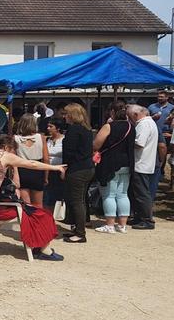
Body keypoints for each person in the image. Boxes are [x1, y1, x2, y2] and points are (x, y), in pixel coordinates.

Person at [0, 135, 67, 267]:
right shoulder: (4, 155)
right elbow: (31, 164)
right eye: (13, 150)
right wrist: (55, 168)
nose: (14, 154)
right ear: (7, 147)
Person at [93, 102, 134, 233]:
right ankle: (122, 225)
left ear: (112, 112)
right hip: (127, 163)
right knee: (123, 194)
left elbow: (96, 145)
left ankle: (110, 224)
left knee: (109, 195)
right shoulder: (131, 126)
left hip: (110, 163)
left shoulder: (108, 126)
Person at [61, 103, 94, 242]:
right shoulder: (86, 129)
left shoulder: (74, 130)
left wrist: (64, 168)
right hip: (88, 167)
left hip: (77, 169)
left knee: (77, 201)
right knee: (81, 199)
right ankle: (78, 228)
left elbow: (69, 152)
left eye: (66, 114)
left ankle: (80, 233)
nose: (64, 117)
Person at [127, 105, 159, 230]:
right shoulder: (149, 123)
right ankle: (139, 216)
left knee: (142, 193)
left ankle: (147, 219)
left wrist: (128, 141)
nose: (130, 119)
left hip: (141, 163)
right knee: (137, 192)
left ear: (135, 115)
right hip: (144, 162)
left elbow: (140, 143)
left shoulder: (144, 124)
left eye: (130, 116)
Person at [13, 113, 49, 208]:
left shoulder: (15, 139)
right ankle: (39, 222)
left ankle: (28, 222)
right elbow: (46, 159)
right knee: (38, 204)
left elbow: (13, 159)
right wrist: (46, 176)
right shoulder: (41, 137)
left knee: (26, 205)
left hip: (22, 170)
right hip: (37, 169)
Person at [43, 118, 65, 211]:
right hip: (48, 169)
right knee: (48, 195)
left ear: (58, 128)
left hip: (59, 170)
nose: (48, 128)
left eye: (51, 126)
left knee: (58, 194)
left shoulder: (64, 140)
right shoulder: (47, 140)